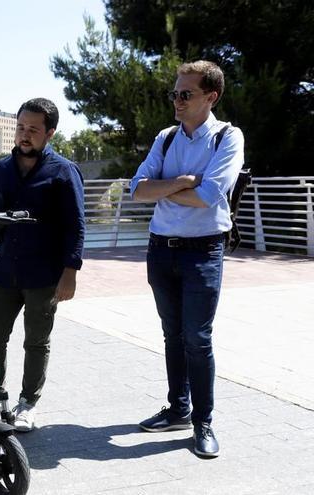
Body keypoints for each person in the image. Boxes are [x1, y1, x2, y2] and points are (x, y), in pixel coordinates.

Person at [130, 60, 244, 458]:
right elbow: (137, 189)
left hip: (203, 252)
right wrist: (181, 182)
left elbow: (208, 196)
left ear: (210, 97)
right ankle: (178, 408)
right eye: (174, 93)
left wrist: (164, 189)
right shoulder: (165, 138)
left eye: (185, 94)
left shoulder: (228, 137)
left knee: (198, 338)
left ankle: (203, 422)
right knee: (172, 335)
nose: (176, 100)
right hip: (160, 249)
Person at [0, 98, 85, 432]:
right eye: (21, 128)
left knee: (36, 341)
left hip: (44, 275)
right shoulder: (1, 169)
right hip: (4, 271)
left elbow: (76, 225)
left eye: (33, 130)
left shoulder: (64, 171)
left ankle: (28, 404)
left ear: (49, 133)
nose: (24, 135)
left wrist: (70, 273)